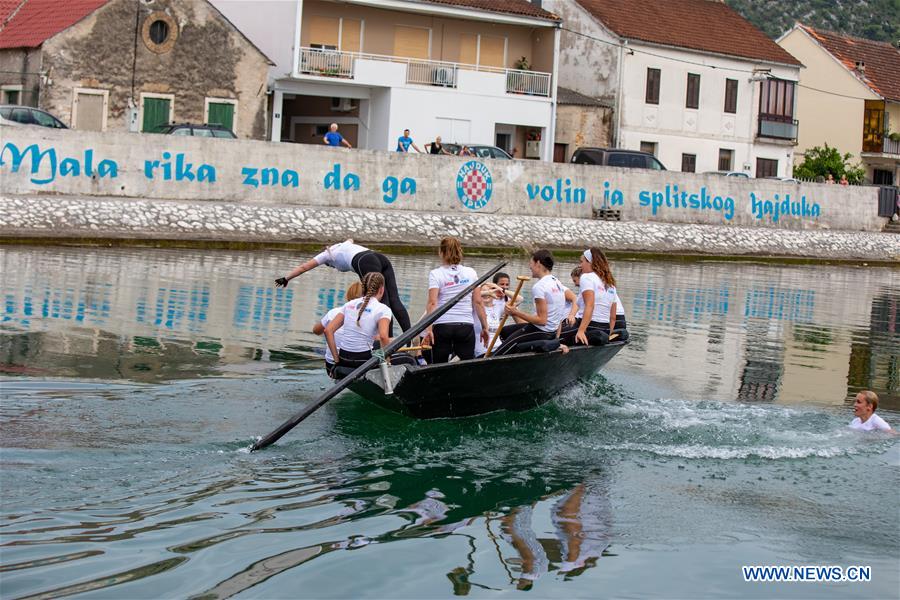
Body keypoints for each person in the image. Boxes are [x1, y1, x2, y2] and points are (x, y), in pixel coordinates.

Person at [275, 239, 411, 334]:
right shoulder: (343, 245)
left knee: (383, 304)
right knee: (394, 300)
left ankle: (388, 343)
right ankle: (410, 336)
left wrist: (286, 278)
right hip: (380, 257)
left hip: (364, 262)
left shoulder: (325, 256)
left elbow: (304, 267)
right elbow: (350, 239)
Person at [422, 237, 489, 363]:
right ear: (460, 251)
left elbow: (432, 303)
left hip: (442, 326)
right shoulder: (471, 273)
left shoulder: (436, 274)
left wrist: (429, 330)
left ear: (440, 252)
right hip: (465, 326)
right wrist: (485, 327)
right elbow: (478, 302)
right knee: (465, 364)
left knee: (439, 365)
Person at [493, 249, 567, 356]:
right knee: (504, 331)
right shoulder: (558, 283)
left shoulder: (540, 286)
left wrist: (515, 312)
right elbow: (559, 317)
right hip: (551, 332)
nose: (529, 266)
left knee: (499, 353)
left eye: (531, 263)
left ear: (538, 263)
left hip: (540, 331)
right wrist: (556, 339)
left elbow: (542, 320)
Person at [325, 272, 392, 371]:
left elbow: (328, 330)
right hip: (364, 361)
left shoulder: (349, 305)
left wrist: (337, 360)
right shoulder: (383, 309)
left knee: (377, 343)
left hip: (344, 358)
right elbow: (383, 337)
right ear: (381, 289)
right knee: (407, 359)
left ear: (363, 288)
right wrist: (386, 362)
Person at [561, 248, 626, 346]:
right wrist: (608, 334)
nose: (580, 265)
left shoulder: (587, 277)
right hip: (605, 328)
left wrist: (581, 331)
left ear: (590, 262)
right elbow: (612, 317)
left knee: (555, 334)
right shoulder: (610, 283)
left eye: (582, 262)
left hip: (590, 326)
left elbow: (590, 305)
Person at [312, 282, 363, 376]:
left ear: (348, 296)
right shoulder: (370, 315)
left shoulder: (333, 312)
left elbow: (316, 331)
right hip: (355, 365)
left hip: (331, 365)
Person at [474, 282, 506, 357]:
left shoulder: (498, 307)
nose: (487, 295)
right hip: (482, 352)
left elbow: (519, 299)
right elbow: (470, 295)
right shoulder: (475, 308)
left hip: (499, 349)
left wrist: (499, 288)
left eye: (490, 291)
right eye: (484, 292)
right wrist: (488, 292)